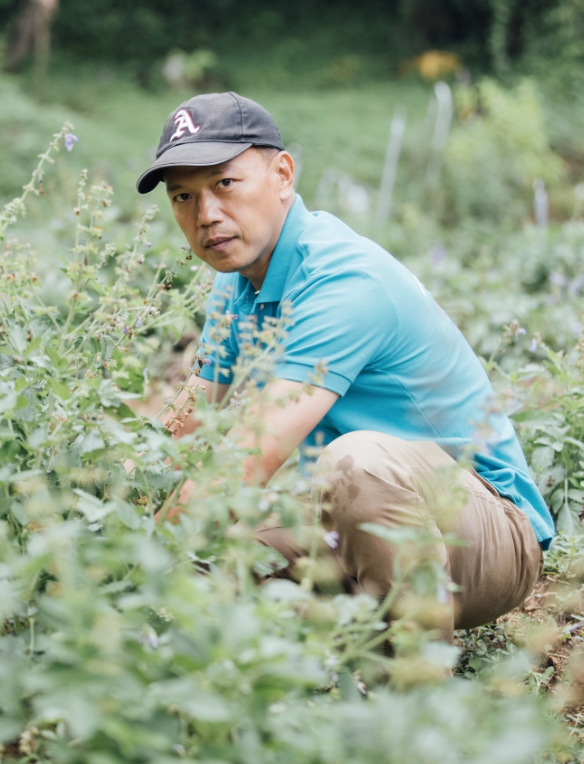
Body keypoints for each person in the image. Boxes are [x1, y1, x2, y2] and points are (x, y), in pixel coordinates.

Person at [136, 91, 554, 638]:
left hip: (488, 533)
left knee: (357, 463)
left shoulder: (343, 282)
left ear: (282, 174)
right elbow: (189, 423)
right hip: (355, 521)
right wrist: (118, 509)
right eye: (183, 197)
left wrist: (134, 566)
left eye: (224, 184)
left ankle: (411, 705)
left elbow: (245, 457)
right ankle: (293, 687)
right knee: (209, 558)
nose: (206, 214)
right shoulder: (233, 281)